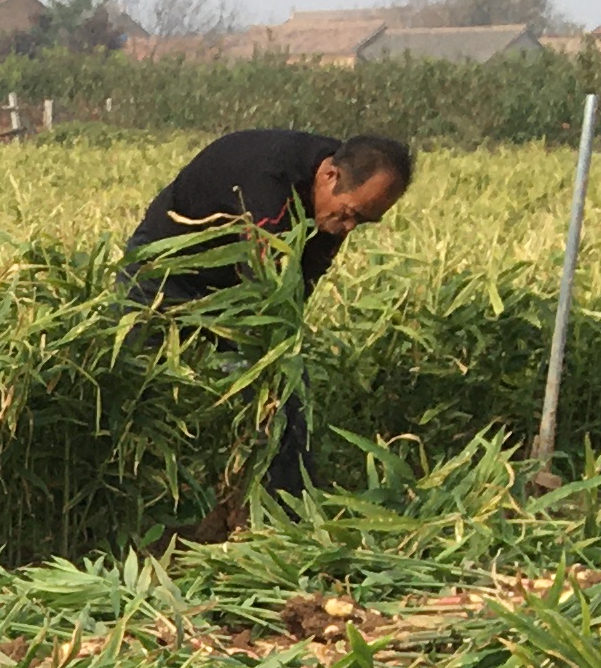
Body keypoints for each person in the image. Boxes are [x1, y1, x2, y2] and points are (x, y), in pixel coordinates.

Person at [125, 128, 413, 499]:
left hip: (231, 281)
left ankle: (284, 507)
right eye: (350, 214)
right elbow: (264, 297)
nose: (348, 228)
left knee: (287, 386)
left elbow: (295, 292)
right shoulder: (269, 182)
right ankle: (148, 498)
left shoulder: (334, 194)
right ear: (330, 176)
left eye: (362, 222)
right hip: (165, 270)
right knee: (142, 383)